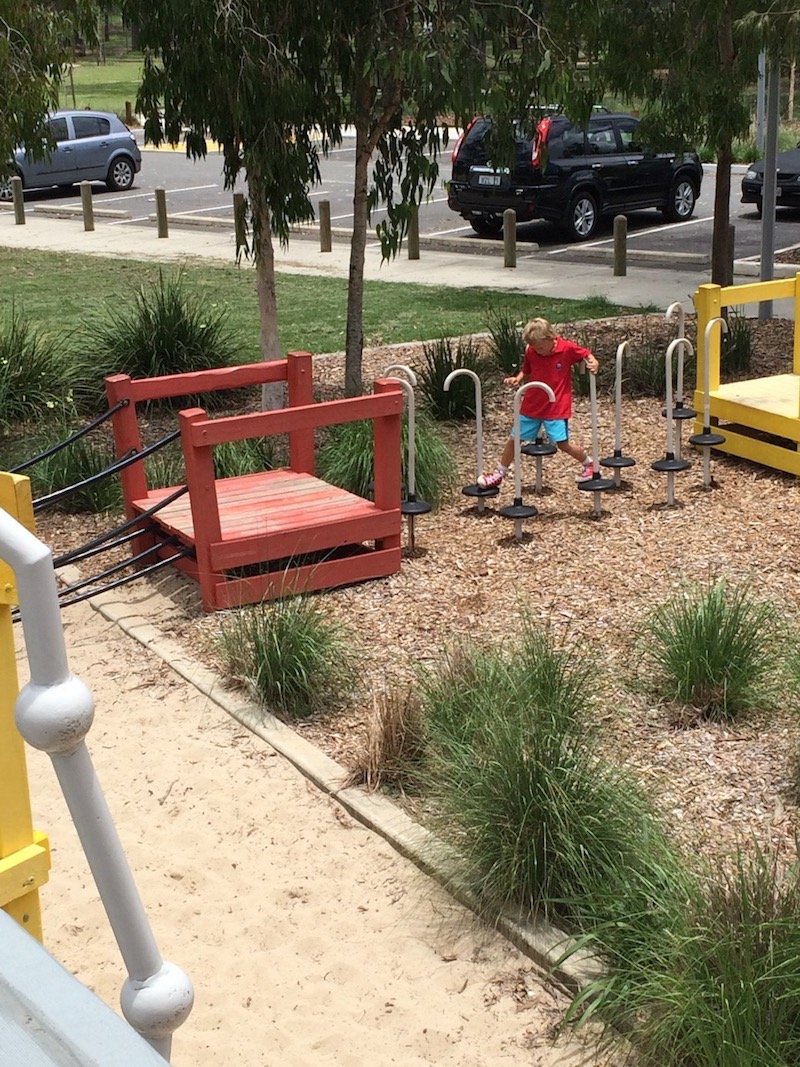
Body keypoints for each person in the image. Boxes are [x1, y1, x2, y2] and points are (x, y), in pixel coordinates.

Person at [478, 317, 599, 488]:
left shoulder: (566, 348)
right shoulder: (531, 351)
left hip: (555, 405)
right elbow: (526, 370)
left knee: (563, 443)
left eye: (541, 348)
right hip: (532, 403)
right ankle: (500, 473)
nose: (538, 351)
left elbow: (585, 353)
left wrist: (594, 362)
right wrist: (517, 379)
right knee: (514, 438)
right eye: (535, 348)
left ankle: (589, 464)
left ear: (551, 338)